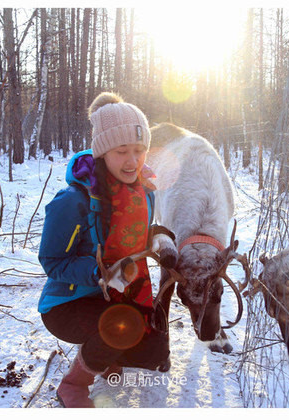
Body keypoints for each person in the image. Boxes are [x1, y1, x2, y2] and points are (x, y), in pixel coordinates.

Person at [37, 92, 177, 408]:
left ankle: (104, 354)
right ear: (102, 153)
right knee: (120, 326)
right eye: (122, 151)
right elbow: (52, 261)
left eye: (140, 150)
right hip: (69, 302)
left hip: (117, 294)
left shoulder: (144, 193)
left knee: (153, 351)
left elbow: (143, 235)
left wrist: (163, 241)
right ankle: (72, 386)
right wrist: (98, 273)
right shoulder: (73, 201)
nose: (133, 161)